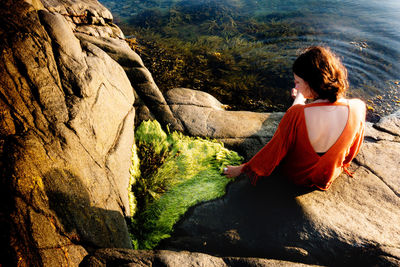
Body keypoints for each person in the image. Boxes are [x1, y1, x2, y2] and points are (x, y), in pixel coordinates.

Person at [224, 46, 366, 190]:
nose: (295, 86)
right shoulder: (358, 108)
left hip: (297, 176)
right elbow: (352, 151)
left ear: (311, 83)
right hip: (327, 175)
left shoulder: (296, 114)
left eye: (297, 82)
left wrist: (243, 168)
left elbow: (273, 151)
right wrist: (301, 95)